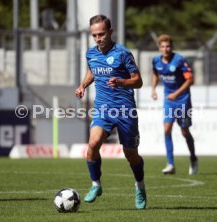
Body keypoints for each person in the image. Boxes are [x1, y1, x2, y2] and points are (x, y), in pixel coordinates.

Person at [75, 15, 146, 209]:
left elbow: (138, 81)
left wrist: (121, 81)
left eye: (102, 34)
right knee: (93, 144)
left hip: (125, 110)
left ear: (111, 32)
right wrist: (82, 85)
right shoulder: (91, 54)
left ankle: (139, 186)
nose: (98, 38)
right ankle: (95, 184)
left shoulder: (123, 53)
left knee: (130, 154)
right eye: (95, 35)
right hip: (102, 108)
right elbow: (92, 72)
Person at [151, 34, 198, 175]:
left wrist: (176, 94)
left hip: (182, 100)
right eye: (163, 46)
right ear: (159, 47)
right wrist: (153, 89)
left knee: (184, 131)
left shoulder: (179, 60)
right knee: (166, 129)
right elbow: (155, 74)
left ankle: (193, 158)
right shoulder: (156, 61)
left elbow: (190, 80)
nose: (165, 49)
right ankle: (170, 164)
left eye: (168, 46)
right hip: (169, 101)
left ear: (171, 47)